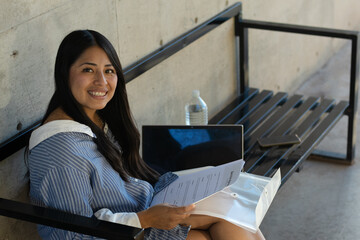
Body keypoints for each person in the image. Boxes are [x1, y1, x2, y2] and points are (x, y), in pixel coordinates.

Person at [27, 29, 265, 240]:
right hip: (133, 227)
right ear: (64, 73)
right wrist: (145, 220)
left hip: (145, 213)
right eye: (88, 69)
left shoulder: (91, 120)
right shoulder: (61, 153)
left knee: (236, 212)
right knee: (222, 225)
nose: (102, 81)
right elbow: (71, 235)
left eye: (109, 71)